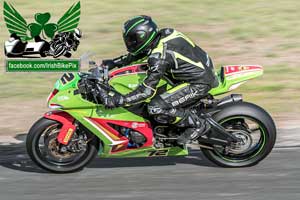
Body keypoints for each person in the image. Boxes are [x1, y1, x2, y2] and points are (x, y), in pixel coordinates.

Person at [97, 15, 219, 144]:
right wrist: (114, 62)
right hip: (198, 70)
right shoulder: (166, 33)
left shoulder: (159, 58)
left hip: (198, 82)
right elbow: (142, 53)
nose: (129, 43)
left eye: (133, 39)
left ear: (143, 36)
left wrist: (121, 100)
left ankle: (198, 124)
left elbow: (146, 92)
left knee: (156, 107)